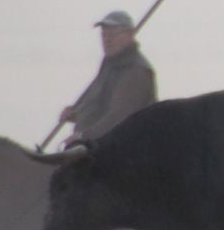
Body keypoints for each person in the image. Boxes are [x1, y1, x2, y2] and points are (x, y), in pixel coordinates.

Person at [59, 10, 157, 142]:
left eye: (113, 34)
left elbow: (119, 117)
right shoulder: (110, 64)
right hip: (99, 147)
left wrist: (83, 137)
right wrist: (76, 114)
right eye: (104, 35)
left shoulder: (136, 71)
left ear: (129, 35)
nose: (107, 40)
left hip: (125, 152)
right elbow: (98, 105)